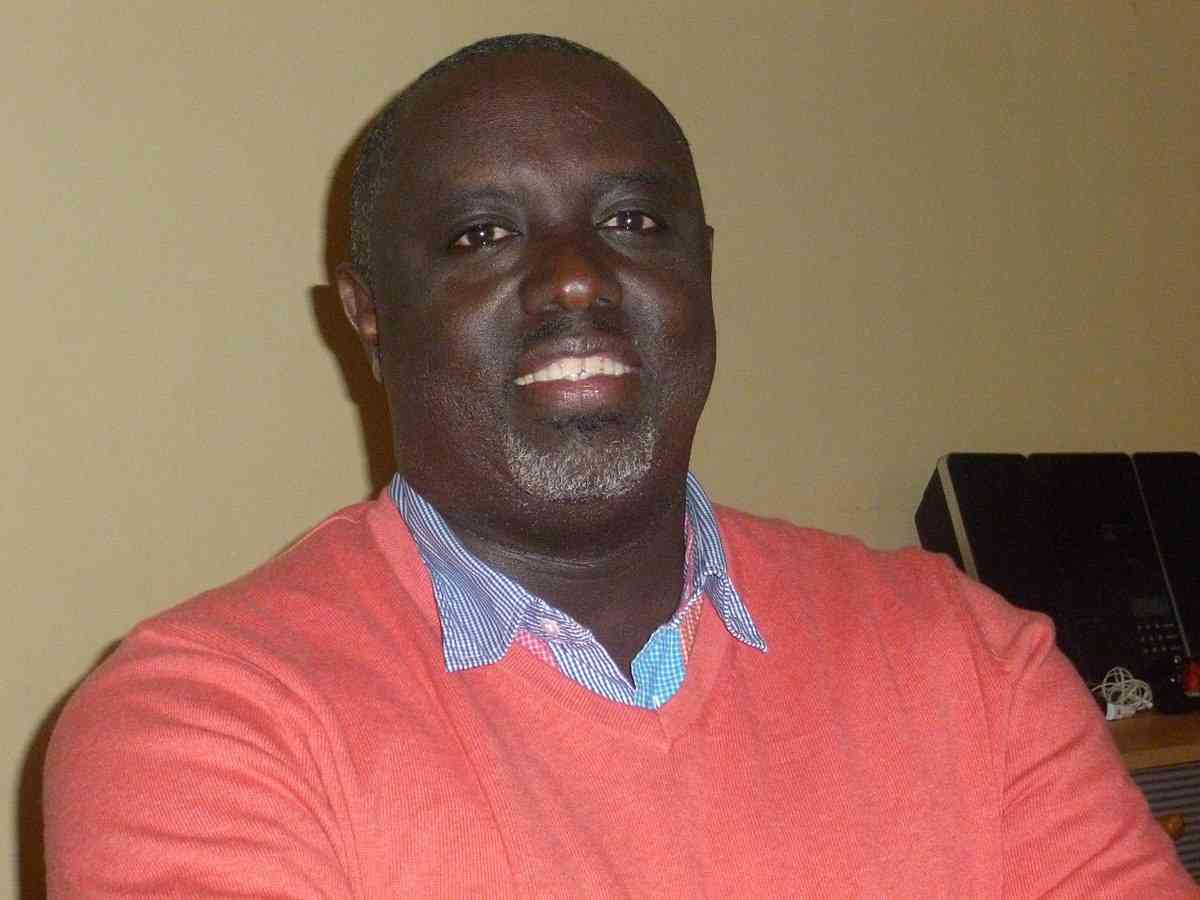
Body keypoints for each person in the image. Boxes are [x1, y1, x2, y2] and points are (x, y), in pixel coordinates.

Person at [44, 34, 1193, 898]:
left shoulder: (970, 658)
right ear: (368, 314)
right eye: (482, 234)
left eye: (634, 222)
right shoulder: (200, 726)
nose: (577, 278)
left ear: (703, 272)